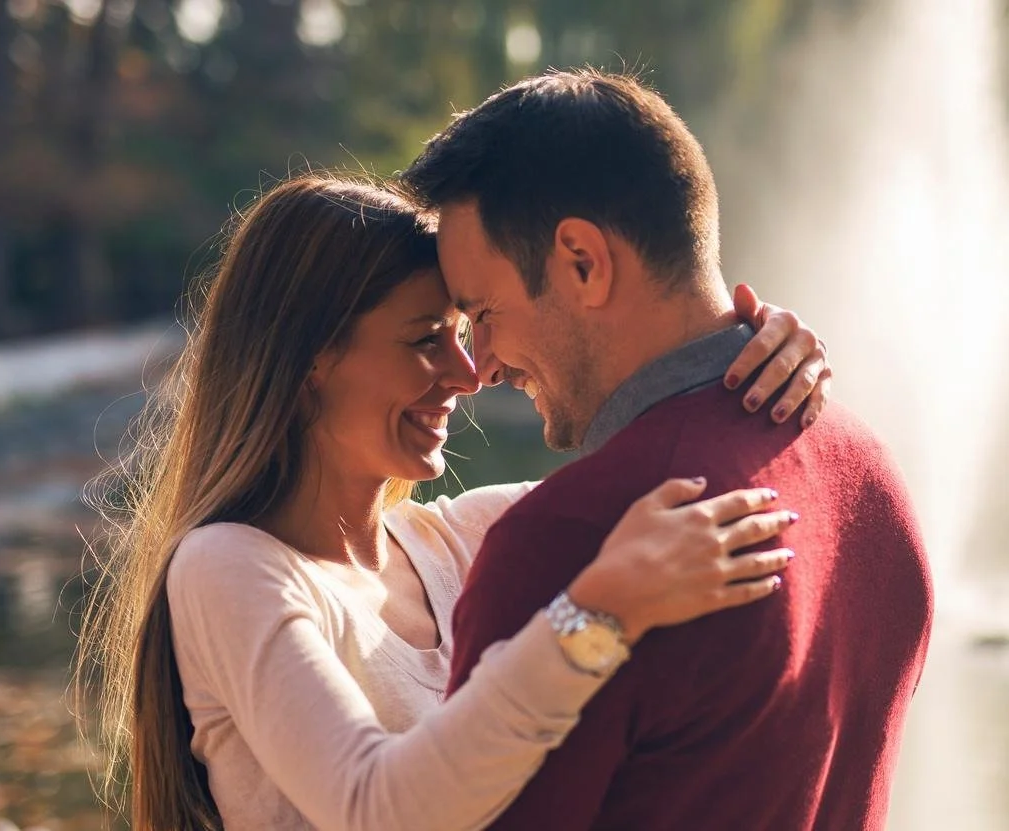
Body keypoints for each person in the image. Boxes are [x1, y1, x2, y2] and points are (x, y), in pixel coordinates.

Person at [76, 174, 832, 831]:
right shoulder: (228, 568)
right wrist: (599, 614)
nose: (469, 373)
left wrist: (754, 352)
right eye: (425, 340)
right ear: (311, 362)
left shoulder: (472, 535)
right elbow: (380, 806)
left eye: (466, 334)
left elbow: (666, 466)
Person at [401, 68, 933, 830]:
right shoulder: (875, 478)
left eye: (484, 312)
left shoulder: (573, 545)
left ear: (583, 261)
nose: (481, 364)